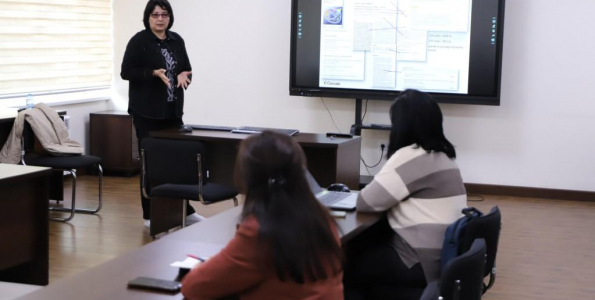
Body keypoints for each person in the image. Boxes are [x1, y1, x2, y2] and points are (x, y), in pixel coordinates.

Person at [181, 131, 344, 300]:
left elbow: (193, 287)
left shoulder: (260, 231)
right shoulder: (323, 219)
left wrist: (203, 267)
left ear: (248, 177)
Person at [344, 89, 467, 299]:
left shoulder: (410, 155)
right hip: (443, 258)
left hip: (419, 261)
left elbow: (366, 202)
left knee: (344, 263)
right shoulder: (444, 156)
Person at [120, 0, 200, 227]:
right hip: (146, 113)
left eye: (164, 14)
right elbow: (126, 72)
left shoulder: (177, 40)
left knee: (177, 161)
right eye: (155, 15)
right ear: (148, 17)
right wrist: (153, 73)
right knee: (151, 163)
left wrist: (186, 76)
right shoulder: (139, 41)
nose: (160, 19)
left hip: (172, 111)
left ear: (169, 17)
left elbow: (186, 69)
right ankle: (150, 213)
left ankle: (185, 210)